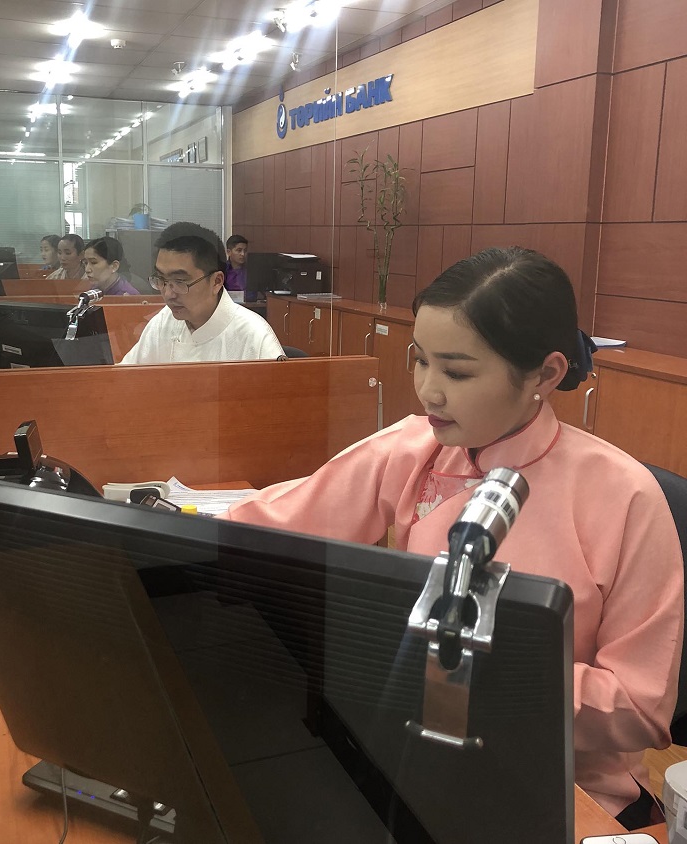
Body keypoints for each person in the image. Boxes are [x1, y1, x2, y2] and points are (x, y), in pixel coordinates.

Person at [221, 246, 684, 829]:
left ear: (546, 374)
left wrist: (477, 671)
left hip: (561, 789)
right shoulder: (414, 448)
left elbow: (639, 706)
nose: (428, 391)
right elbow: (280, 522)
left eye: (457, 372)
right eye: (421, 361)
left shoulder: (624, 497)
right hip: (413, 759)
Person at [120, 222, 284, 364]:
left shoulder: (254, 336)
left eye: (180, 281)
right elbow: (126, 377)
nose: (168, 294)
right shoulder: (163, 321)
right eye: (161, 279)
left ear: (216, 282)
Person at [224, 234, 248, 303]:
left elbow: (253, 295)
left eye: (245, 251)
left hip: (248, 306)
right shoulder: (222, 270)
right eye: (239, 250)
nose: (243, 254)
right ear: (229, 252)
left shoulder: (251, 271)